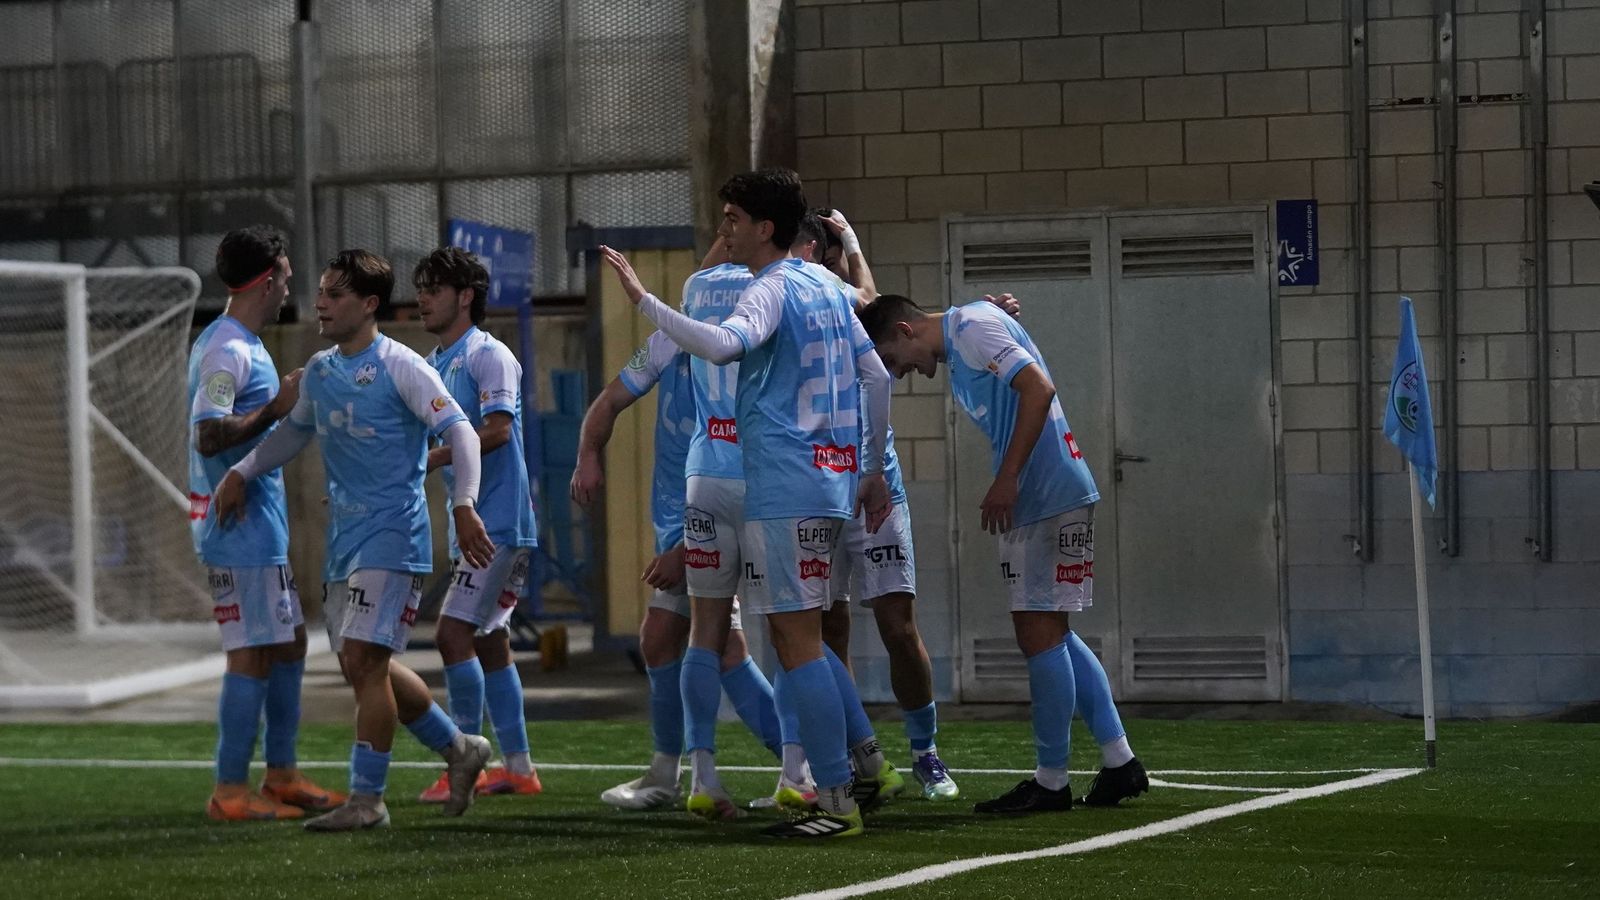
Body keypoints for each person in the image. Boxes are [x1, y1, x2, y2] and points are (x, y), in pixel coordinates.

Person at [601, 167, 894, 839]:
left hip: (783, 485)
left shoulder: (772, 288)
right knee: (804, 641)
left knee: (797, 644)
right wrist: (869, 467)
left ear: (764, 229)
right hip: (827, 483)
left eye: (732, 218)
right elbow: (875, 371)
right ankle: (831, 780)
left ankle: (833, 799)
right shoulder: (826, 285)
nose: (724, 229)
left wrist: (645, 301)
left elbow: (723, 344)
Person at [215, 249, 496, 832]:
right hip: (346, 539)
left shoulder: (403, 366)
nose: (321, 302)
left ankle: (367, 800)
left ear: (369, 305)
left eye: (336, 294)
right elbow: (291, 435)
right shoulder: (319, 370)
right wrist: (241, 472)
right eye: (320, 291)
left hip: (394, 535)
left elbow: (462, 432)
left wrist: (463, 505)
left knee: (366, 660)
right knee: (363, 663)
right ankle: (459, 749)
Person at [857, 293, 1149, 814]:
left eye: (892, 360)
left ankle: (1051, 781)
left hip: (1045, 492)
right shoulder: (972, 325)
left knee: (1037, 632)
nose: (898, 375)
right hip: (1056, 490)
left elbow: (1038, 389)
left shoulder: (970, 327)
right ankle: (1119, 759)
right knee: (1053, 632)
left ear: (904, 330)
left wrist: (1007, 479)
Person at [569, 329, 785, 811]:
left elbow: (738, 462)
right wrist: (587, 455)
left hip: (714, 518)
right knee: (667, 639)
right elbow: (609, 400)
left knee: (733, 644)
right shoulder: (670, 341)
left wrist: (688, 549)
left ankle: (803, 766)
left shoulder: (741, 351)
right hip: (679, 514)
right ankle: (671, 774)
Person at [792, 211, 955, 802]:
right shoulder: (794, 299)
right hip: (821, 488)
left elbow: (880, 305)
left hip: (876, 487)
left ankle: (925, 751)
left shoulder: (845, 302)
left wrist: (855, 246)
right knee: (828, 629)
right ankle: (855, 758)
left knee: (896, 624)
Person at [186, 225, 344, 821]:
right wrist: (276, 406)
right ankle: (231, 790)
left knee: (286, 643)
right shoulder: (228, 348)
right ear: (268, 278)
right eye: (286, 275)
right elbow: (209, 434)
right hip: (239, 527)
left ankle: (280, 774)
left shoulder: (239, 341)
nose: (291, 287)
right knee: (251, 652)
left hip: (254, 525)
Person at [412, 247, 541, 802]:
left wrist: (433, 458)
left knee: (452, 633)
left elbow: (497, 432)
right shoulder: (434, 362)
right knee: (489, 640)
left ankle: (466, 762)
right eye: (420, 287)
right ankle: (520, 768)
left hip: (496, 521)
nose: (422, 298)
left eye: (434, 288)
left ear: (465, 296)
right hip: (480, 520)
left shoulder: (488, 355)